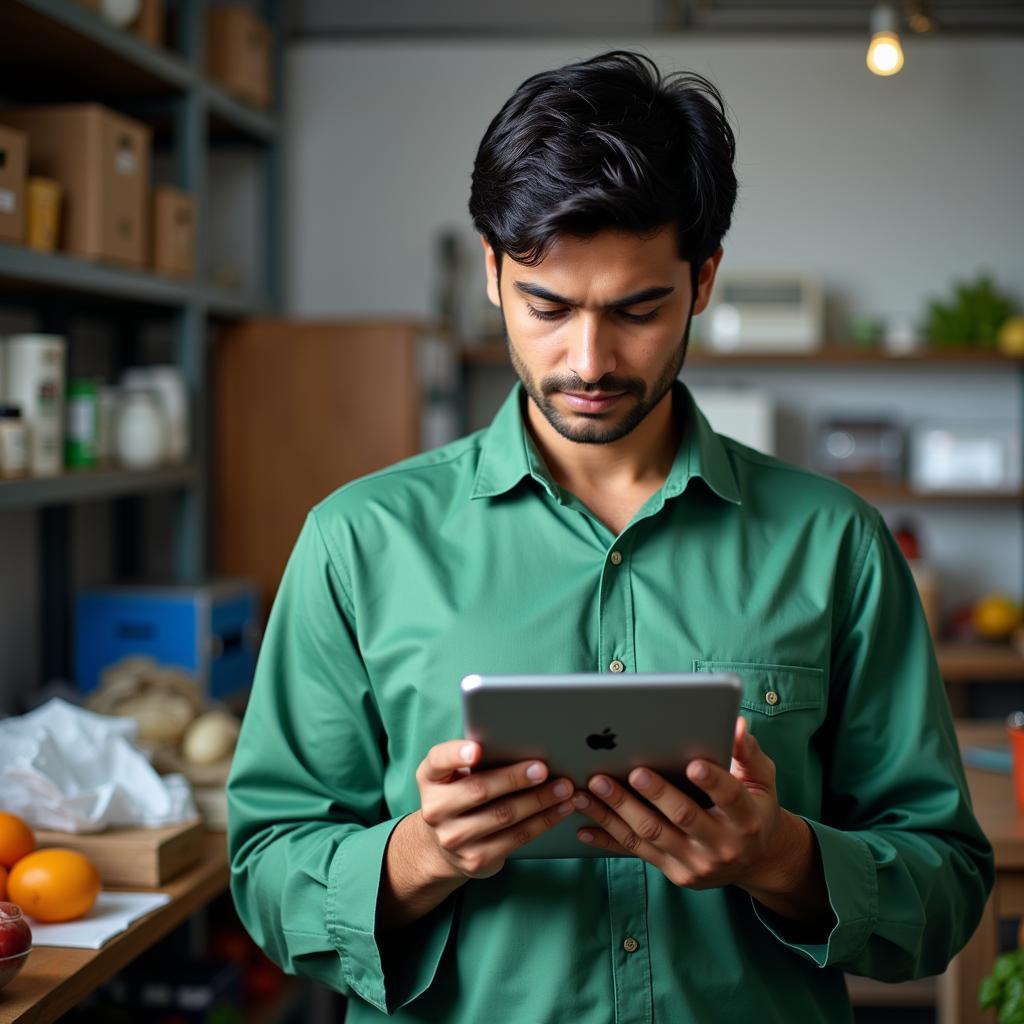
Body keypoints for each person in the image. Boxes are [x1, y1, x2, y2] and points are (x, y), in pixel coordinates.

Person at [226, 50, 993, 1022]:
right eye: (548, 307)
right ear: (493, 271)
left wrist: (779, 856)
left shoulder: (834, 544)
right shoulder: (357, 542)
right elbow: (263, 870)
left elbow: (945, 887)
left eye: (638, 309)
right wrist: (425, 851)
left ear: (703, 279)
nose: (588, 360)